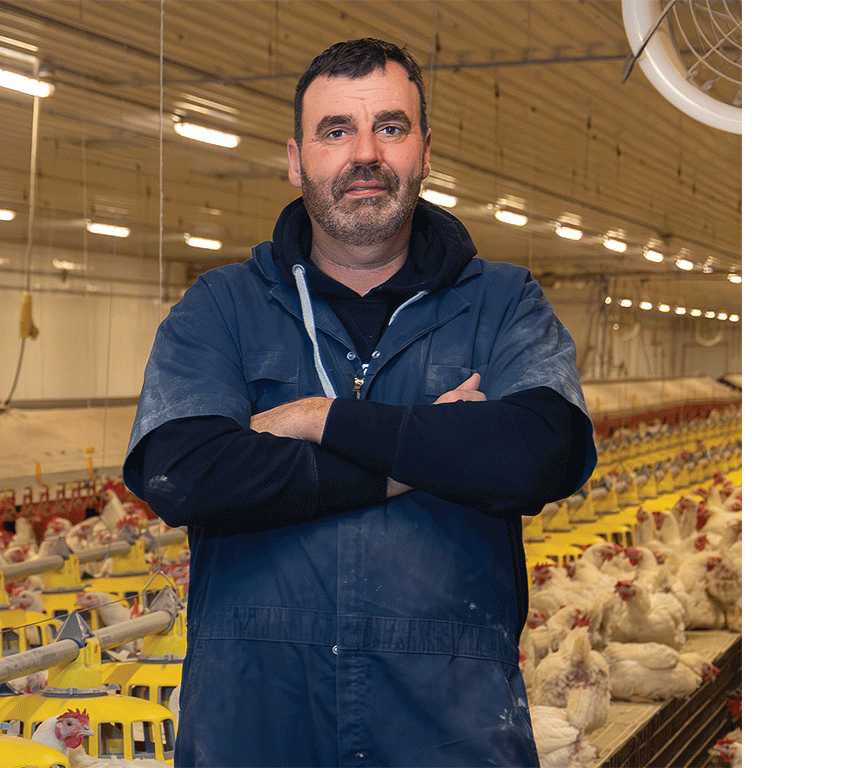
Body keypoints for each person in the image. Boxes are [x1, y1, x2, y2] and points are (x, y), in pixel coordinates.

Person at [123, 38, 597, 767]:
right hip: (257, 729)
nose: (365, 153)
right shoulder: (222, 307)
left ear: (425, 151)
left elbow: (540, 455)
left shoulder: (502, 304)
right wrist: (422, 454)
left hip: (448, 731)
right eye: (336, 130)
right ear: (296, 159)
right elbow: (183, 473)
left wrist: (319, 419)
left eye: (391, 128)